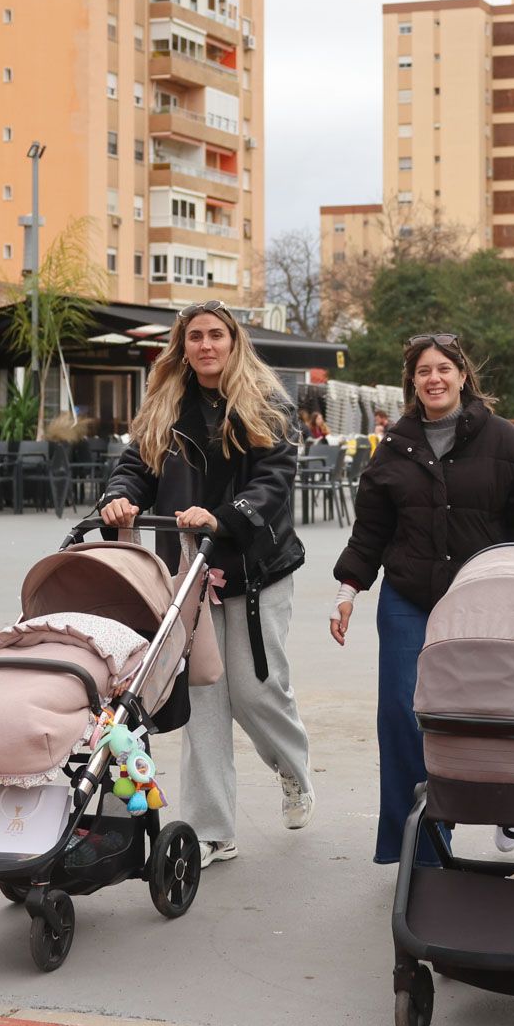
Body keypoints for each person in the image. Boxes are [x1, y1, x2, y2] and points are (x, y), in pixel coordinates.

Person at [99, 301, 313, 867]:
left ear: (233, 341)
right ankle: (212, 828)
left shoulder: (266, 402)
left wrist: (228, 516)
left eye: (216, 335)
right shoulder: (164, 405)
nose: (206, 345)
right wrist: (118, 499)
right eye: (195, 336)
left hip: (255, 566)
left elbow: (274, 478)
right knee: (203, 697)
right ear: (183, 345)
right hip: (189, 568)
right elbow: (135, 468)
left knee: (254, 690)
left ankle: (292, 771)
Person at [330, 334, 514, 866]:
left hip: (485, 601)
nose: (434, 379)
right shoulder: (394, 445)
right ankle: (422, 848)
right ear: (412, 382)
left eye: (444, 369)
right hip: (409, 597)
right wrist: (348, 591)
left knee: (493, 709)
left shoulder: (507, 443)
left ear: (462, 376)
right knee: (404, 714)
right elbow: (371, 530)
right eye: (423, 371)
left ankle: (510, 808)